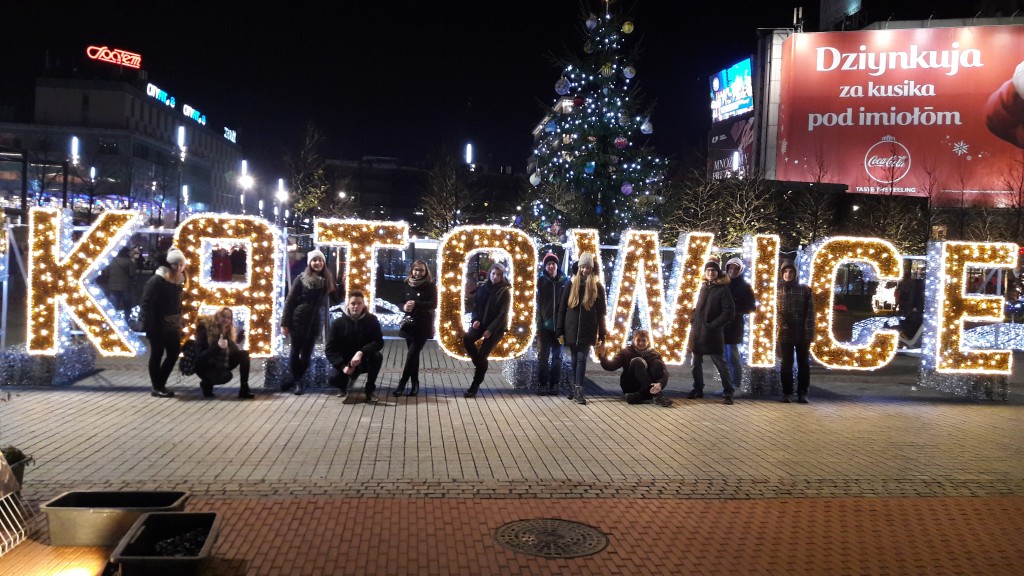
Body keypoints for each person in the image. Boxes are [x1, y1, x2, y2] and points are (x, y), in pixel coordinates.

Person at [280, 249, 338, 395]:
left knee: (307, 354)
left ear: (323, 263)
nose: (317, 263)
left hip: (315, 320)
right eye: (314, 260)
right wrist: (284, 323)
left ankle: (294, 380)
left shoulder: (328, 280)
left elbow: (337, 298)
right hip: (299, 318)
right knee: (295, 351)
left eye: (320, 260)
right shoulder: (301, 278)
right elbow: (290, 301)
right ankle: (298, 382)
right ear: (310, 263)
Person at [556, 252, 606, 405]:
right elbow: (562, 309)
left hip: (588, 330)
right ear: (579, 268)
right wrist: (559, 330)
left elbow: (601, 314)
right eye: (583, 267)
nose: (585, 270)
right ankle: (573, 388)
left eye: (588, 267)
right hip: (571, 330)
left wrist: (602, 335)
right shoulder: (571, 284)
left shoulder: (597, 287)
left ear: (592, 269)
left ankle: (578, 389)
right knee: (574, 360)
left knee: (582, 359)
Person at [685, 261, 736, 405]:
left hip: (712, 333)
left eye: (713, 270)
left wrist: (713, 326)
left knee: (721, 364)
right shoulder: (702, 287)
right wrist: (693, 319)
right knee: (695, 363)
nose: (710, 273)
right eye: (708, 270)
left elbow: (729, 312)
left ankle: (728, 392)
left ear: (718, 272)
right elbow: (697, 308)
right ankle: (698, 389)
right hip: (698, 332)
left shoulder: (723, 290)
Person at [140, 249, 187, 398]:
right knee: (157, 354)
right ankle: (157, 386)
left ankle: (160, 383)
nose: (178, 268)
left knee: (173, 353)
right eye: (175, 264)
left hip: (172, 324)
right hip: (157, 324)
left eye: (181, 265)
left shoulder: (178, 281)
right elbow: (146, 303)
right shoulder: (157, 280)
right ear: (169, 264)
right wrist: (150, 324)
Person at [462, 263, 511, 398]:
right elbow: (476, 307)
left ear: (502, 276)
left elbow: (503, 314)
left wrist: (490, 329)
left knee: (483, 355)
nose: (495, 277)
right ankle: (481, 365)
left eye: (498, 275)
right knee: (467, 339)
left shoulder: (504, 291)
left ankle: (474, 385)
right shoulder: (483, 289)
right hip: (481, 324)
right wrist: (475, 320)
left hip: (495, 328)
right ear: (489, 274)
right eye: (493, 274)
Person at [325, 290, 384, 403]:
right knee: (332, 379)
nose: (355, 306)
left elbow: (378, 342)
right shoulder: (338, 323)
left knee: (377, 357)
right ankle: (343, 387)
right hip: (346, 360)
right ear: (348, 304)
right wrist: (343, 366)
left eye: (359, 303)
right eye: (353, 303)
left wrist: (361, 352)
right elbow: (330, 349)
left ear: (363, 305)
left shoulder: (372, 320)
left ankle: (369, 390)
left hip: (364, 359)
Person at [394, 260, 437, 396]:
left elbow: (433, 304)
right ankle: (415, 383)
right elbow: (400, 301)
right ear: (412, 270)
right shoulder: (407, 284)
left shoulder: (430, 286)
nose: (418, 273)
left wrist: (416, 304)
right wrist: (403, 306)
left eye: (421, 270)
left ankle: (402, 384)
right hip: (409, 324)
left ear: (426, 272)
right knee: (414, 356)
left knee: (411, 354)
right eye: (416, 270)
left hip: (422, 326)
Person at [598, 329, 672, 407]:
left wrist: (660, 384)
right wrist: (603, 356)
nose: (641, 343)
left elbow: (664, 372)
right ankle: (656, 395)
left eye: (644, 340)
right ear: (634, 340)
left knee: (658, 363)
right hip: (631, 385)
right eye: (638, 340)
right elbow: (610, 366)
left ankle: (638, 396)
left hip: (648, 388)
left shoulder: (654, 354)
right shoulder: (626, 352)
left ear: (648, 341)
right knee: (637, 361)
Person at [193, 307, 253, 399]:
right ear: (217, 316)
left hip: (219, 364)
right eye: (224, 316)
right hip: (205, 366)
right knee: (226, 376)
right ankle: (207, 383)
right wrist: (217, 347)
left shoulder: (225, 331)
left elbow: (234, 352)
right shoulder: (204, 329)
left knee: (244, 354)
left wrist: (238, 340)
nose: (226, 320)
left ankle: (244, 388)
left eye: (229, 318)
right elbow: (200, 357)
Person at [777, 259, 815, 404]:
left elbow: (810, 312)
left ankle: (803, 392)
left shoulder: (804, 289)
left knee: (803, 364)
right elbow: (775, 310)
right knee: (786, 364)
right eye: (785, 271)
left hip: (802, 333)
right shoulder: (777, 289)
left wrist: (809, 332)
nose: (788, 274)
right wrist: (781, 323)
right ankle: (787, 392)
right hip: (784, 332)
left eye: (791, 271)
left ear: (795, 273)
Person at [722, 257, 755, 395]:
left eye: (736, 268)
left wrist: (734, 309)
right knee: (723, 360)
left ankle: (736, 386)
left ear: (740, 270)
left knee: (733, 358)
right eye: (730, 268)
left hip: (734, 327)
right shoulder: (722, 285)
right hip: (720, 327)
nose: (732, 271)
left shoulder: (745, 287)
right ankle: (727, 387)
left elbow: (751, 307)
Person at [536, 252, 567, 395]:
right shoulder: (540, 281)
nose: (550, 266)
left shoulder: (564, 281)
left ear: (557, 265)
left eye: (553, 263)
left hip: (560, 326)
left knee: (557, 356)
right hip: (545, 326)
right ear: (545, 266)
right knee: (543, 356)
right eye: (548, 264)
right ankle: (542, 384)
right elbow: (537, 303)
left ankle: (554, 384)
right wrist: (539, 323)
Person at [105, 246, 138, 319]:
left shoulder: (112, 261)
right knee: (127, 303)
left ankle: (112, 318)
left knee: (114, 303)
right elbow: (132, 274)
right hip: (125, 286)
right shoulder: (129, 261)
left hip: (112, 286)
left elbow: (106, 273)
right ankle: (127, 317)